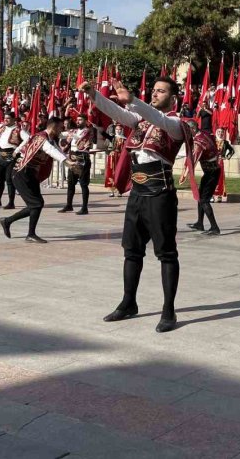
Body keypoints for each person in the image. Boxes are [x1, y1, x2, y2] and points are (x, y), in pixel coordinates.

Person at [84, 76, 188, 333]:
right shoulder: (139, 120)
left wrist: (134, 101)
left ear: (173, 98)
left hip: (160, 192)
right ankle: (129, 302)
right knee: (131, 250)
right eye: (153, 90)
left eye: (161, 91)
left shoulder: (176, 124)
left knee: (166, 253)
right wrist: (94, 95)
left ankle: (168, 310)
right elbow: (118, 112)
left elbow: (158, 119)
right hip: (138, 191)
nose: (155, 94)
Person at [0, 117, 73, 244]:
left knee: (37, 204)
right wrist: (66, 161)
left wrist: (69, 162)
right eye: (60, 127)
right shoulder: (40, 137)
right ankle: (27, 232)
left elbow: (58, 151)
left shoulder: (50, 139)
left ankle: (9, 222)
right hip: (22, 172)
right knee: (36, 204)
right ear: (53, 127)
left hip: (31, 173)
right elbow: (51, 150)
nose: (62, 130)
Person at [186, 119, 222, 236]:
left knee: (204, 200)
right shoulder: (205, 134)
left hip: (211, 172)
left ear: (193, 129)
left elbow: (194, 157)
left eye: (188, 130)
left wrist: (186, 171)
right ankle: (200, 223)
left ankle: (214, 227)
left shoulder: (199, 140)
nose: (187, 132)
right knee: (200, 196)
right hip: (210, 171)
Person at [59, 112, 93, 215]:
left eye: (80, 120)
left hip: (82, 158)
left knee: (83, 184)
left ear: (86, 121)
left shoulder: (87, 131)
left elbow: (80, 140)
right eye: (77, 120)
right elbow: (61, 135)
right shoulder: (73, 130)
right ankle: (69, 205)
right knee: (70, 183)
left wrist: (70, 134)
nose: (78, 121)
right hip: (73, 158)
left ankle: (84, 208)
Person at [103, 122, 127, 197]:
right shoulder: (112, 137)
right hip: (112, 157)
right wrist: (109, 152)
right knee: (111, 172)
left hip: (120, 157)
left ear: (122, 130)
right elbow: (106, 145)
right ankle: (112, 191)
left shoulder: (125, 139)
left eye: (120, 129)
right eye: (117, 129)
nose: (118, 130)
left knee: (120, 172)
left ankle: (120, 191)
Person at [213, 128, 234, 202]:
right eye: (218, 132)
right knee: (211, 178)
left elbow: (232, 150)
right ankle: (211, 195)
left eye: (222, 132)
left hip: (220, 161)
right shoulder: (212, 140)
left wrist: (226, 157)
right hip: (212, 161)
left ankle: (219, 195)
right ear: (216, 132)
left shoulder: (225, 142)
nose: (220, 133)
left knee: (220, 178)